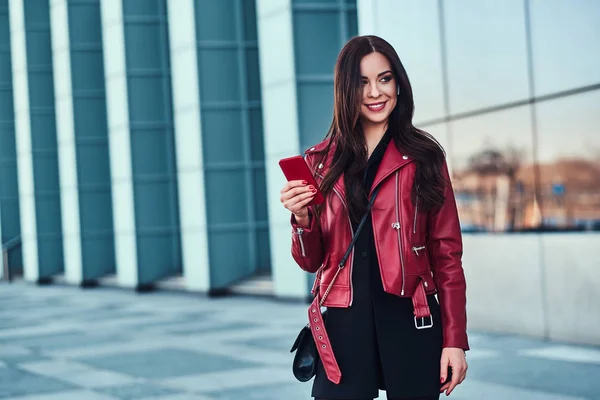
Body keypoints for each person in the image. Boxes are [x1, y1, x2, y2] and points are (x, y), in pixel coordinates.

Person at [279, 35, 469, 400]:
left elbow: (447, 254)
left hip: (412, 316)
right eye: (362, 82)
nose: (375, 92)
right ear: (345, 89)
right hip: (343, 321)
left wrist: (455, 340)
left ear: (398, 83)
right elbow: (311, 261)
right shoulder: (319, 161)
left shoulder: (424, 156)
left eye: (384, 78)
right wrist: (302, 220)